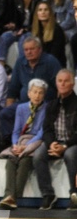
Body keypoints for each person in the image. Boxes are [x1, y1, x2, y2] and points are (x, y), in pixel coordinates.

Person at [0, 35, 60, 149]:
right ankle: (11, 144)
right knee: (4, 114)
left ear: (40, 49)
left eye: (32, 49)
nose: (28, 52)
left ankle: (32, 143)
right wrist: (9, 107)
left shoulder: (50, 61)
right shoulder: (20, 62)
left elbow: (59, 87)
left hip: (45, 105)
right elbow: (13, 89)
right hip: (24, 104)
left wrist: (56, 107)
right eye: (26, 49)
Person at [0, 78, 47, 209]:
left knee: (25, 161)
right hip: (20, 141)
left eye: (40, 93)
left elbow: (41, 133)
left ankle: (13, 197)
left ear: (44, 95)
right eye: (35, 92)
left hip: (36, 141)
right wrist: (15, 145)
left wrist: (26, 146)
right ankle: (9, 196)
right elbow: (16, 131)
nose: (37, 95)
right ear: (29, 93)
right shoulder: (21, 108)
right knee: (11, 161)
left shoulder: (47, 108)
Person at [32, 69, 77, 211]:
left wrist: (64, 146)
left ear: (73, 83)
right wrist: (52, 143)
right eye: (60, 81)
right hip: (56, 142)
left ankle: (74, 194)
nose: (62, 84)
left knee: (70, 155)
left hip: (72, 143)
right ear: (56, 83)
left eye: (66, 81)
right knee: (38, 154)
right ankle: (48, 194)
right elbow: (47, 129)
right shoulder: (52, 105)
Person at [0, 0, 43, 69]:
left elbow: (39, 20)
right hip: (18, 28)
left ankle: (23, 68)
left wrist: (26, 29)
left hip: (32, 29)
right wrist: (14, 25)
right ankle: (0, 68)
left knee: (24, 40)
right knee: (4, 37)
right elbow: (12, 14)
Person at [31, 1, 66, 67]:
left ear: (50, 13)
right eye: (40, 10)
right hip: (40, 64)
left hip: (54, 65)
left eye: (46, 10)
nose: (43, 12)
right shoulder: (36, 30)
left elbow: (54, 55)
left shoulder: (57, 30)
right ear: (36, 13)